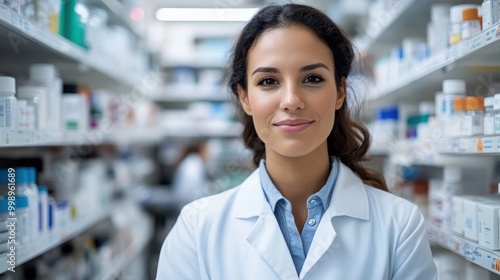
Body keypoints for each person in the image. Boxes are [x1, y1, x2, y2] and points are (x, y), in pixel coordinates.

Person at [156, 4, 437, 280]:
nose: (291, 101)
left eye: (312, 78)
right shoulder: (197, 228)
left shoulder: (400, 226)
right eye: (268, 81)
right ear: (245, 98)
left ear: (340, 92)